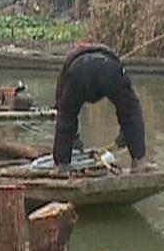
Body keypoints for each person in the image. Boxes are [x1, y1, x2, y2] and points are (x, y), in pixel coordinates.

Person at [52, 41, 152, 172]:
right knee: (131, 109)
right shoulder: (110, 56)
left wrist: (72, 141)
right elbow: (128, 108)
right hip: (108, 69)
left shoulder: (68, 63)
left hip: (78, 72)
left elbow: (63, 110)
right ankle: (139, 161)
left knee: (66, 115)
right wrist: (126, 133)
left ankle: (61, 166)